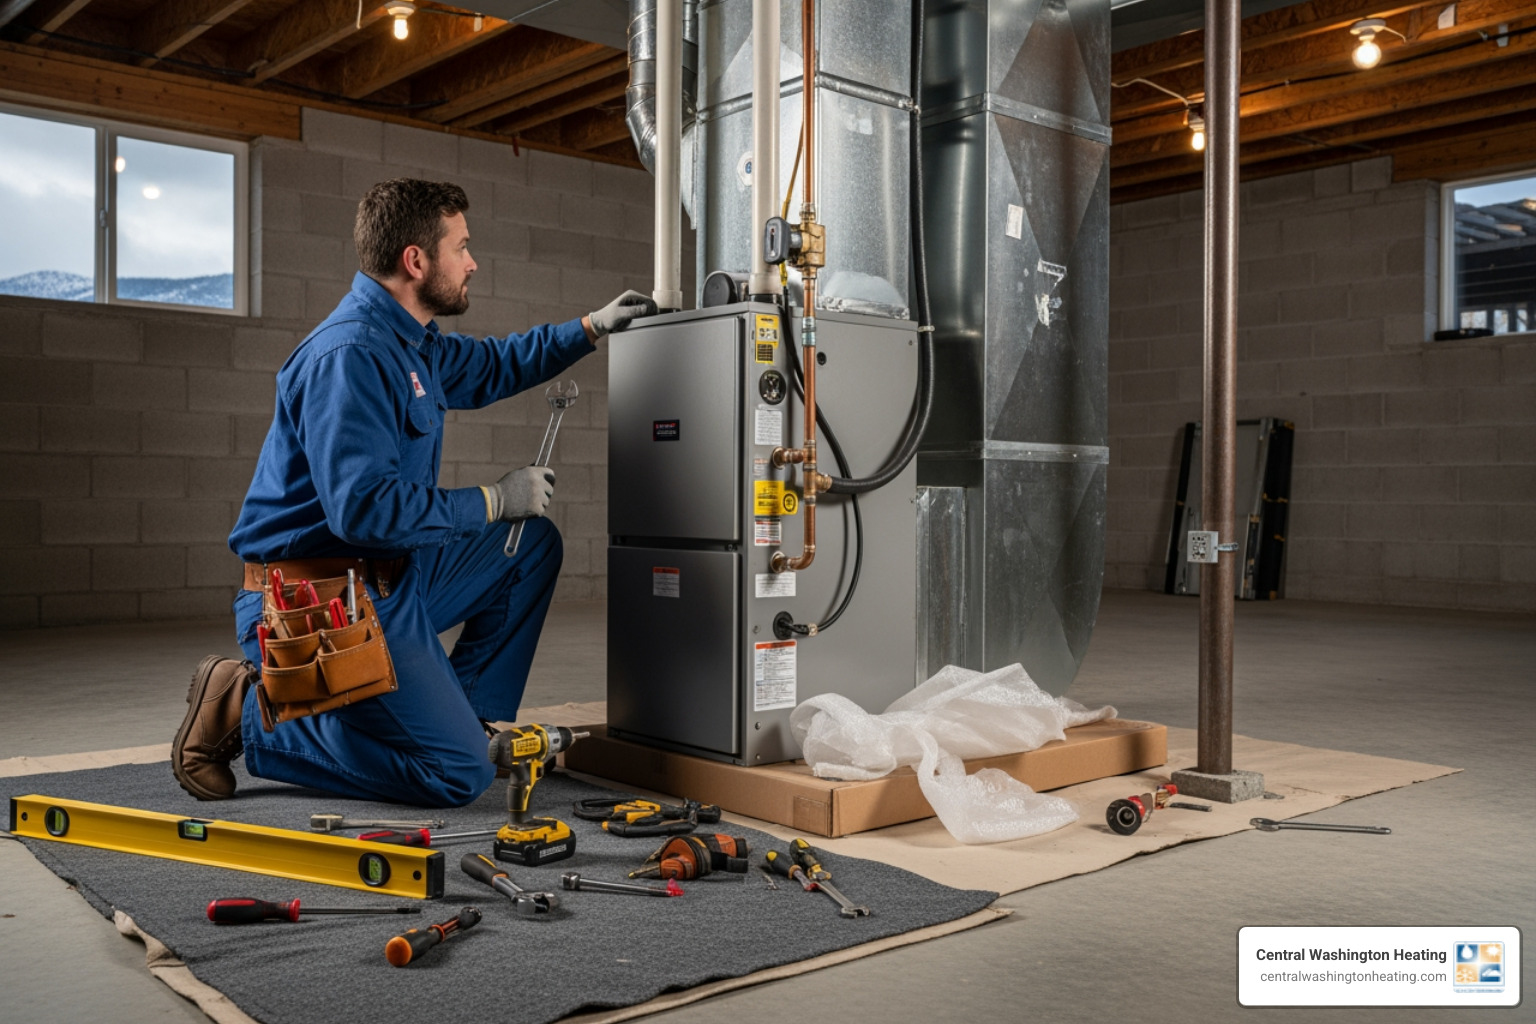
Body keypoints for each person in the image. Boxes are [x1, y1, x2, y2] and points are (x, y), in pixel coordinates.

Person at [171, 178, 655, 807]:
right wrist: (492, 499)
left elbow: (493, 365)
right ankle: (251, 714)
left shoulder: (410, 341)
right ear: (416, 260)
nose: (472, 262)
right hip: (315, 604)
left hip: (391, 577)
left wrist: (591, 327)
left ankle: (463, 721)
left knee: (529, 544)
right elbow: (365, 510)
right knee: (458, 777)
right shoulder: (350, 356)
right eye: (462, 247)